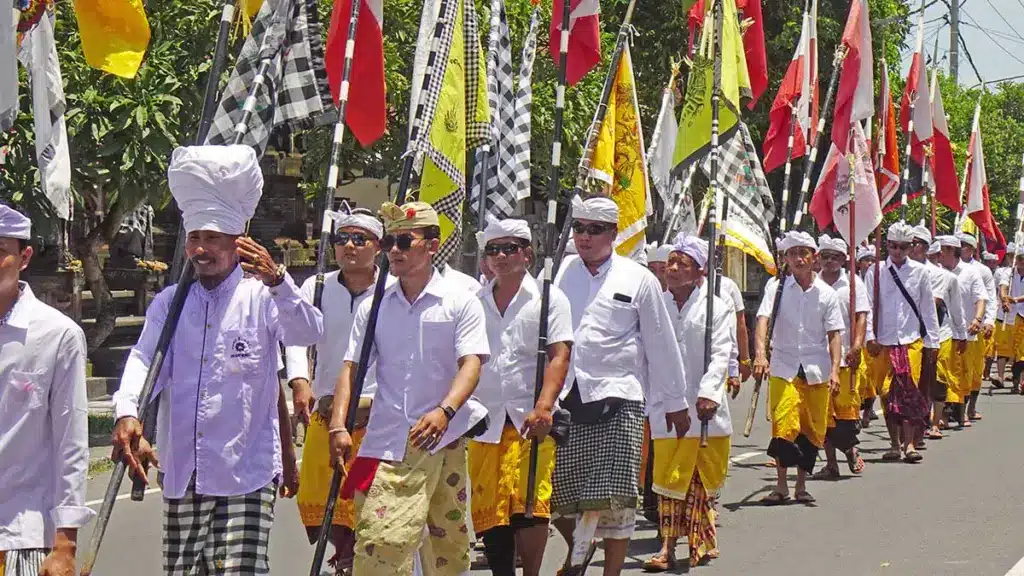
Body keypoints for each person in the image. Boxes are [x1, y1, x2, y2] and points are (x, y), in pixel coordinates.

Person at [111, 145, 323, 574]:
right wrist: (127, 410)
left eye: (212, 239)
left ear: (236, 243)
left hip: (246, 474)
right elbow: (144, 358)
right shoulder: (170, 303)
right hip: (182, 473)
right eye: (195, 239)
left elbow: (307, 332)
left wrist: (279, 280)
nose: (201, 249)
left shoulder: (262, 298)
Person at [329, 201, 490, 576]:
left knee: (447, 547)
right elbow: (351, 367)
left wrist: (444, 411)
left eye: (404, 241)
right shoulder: (374, 306)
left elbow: (472, 363)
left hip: (442, 438)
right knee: (381, 541)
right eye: (389, 243)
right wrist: (339, 425)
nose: (394, 251)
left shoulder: (460, 301)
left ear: (432, 246)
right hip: (387, 442)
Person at [551, 196, 689, 576]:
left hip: (620, 397)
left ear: (613, 234)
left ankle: (609, 571)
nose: (584, 237)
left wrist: (675, 401)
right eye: (579, 228)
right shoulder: (559, 273)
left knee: (616, 498)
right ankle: (581, 544)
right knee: (555, 495)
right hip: (566, 396)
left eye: (594, 230)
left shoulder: (638, 278)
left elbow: (661, 344)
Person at [284, 208, 391, 573]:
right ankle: (346, 552)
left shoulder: (393, 290)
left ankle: (352, 557)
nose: (349, 246)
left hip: (377, 411)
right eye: (342, 238)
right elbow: (296, 337)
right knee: (316, 493)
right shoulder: (316, 286)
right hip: (327, 408)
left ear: (378, 247)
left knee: (362, 491)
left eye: (359, 239)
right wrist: (299, 381)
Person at [468, 218, 573, 576]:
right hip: (485, 419)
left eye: (509, 248)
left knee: (529, 503)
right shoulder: (475, 301)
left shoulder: (549, 298)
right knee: (489, 506)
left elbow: (559, 355)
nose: (500, 256)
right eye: (493, 250)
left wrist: (544, 406)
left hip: (530, 420)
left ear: (526, 254)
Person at [0, 206, 95, 576]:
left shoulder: (57, 336)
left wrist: (65, 545)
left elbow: (71, 442)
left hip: (22, 536)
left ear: (24, 258)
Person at [642, 234, 733, 571]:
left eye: (683, 263)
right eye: (671, 262)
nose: (674, 268)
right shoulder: (653, 307)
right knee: (668, 482)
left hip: (704, 410)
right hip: (665, 410)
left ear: (699, 273)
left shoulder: (716, 307)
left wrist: (710, 391)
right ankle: (668, 548)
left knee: (698, 482)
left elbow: (721, 353)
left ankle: (700, 540)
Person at [754, 231, 842, 505]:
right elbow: (762, 321)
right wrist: (760, 355)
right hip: (784, 365)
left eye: (803, 253)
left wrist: (836, 370)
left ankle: (800, 485)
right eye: (792, 254)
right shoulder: (776, 288)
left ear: (813, 258)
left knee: (811, 429)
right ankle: (781, 485)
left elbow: (834, 334)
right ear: (786, 259)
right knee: (783, 424)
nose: (798, 259)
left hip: (816, 368)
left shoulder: (827, 294)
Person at [863, 223, 939, 463]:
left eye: (903, 247)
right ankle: (894, 444)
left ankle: (909, 445)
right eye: (893, 246)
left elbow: (928, 308)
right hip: (882, 342)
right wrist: (869, 337)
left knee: (908, 392)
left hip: (910, 341)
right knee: (886, 394)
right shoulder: (875, 271)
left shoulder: (920, 272)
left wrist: (932, 342)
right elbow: (867, 307)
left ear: (911, 247)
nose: (897, 251)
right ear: (886, 245)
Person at [811, 235, 869, 480]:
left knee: (846, 413)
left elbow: (861, 317)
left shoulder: (854, 284)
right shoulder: (812, 285)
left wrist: (856, 346)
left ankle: (850, 448)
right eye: (825, 256)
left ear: (844, 259)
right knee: (823, 414)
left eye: (835, 257)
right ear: (818, 259)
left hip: (846, 359)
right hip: (817, 359)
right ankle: (831, 463)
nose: (830, 261)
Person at [940, 235, 988, 425]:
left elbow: (981, 298)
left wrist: (978, 319)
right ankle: (940, 416)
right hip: (941, 333)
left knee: (962, 373)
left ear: (953, 251)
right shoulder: (934, 271)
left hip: (965, 333)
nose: (940, 254)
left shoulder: (971, 272)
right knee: (942, 374)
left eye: (944, 250)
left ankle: (960, 412)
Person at [921, 236, 966, 439]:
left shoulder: (948, 278)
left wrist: (962, 334)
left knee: (939, 377)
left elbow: (956, 309)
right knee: (919, 379)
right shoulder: (910, 274)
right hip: (915, 336)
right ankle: (919, 421)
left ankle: (936, 421)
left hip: (942, 334)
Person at [958, 232, 995, 421]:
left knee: (974, 371)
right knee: (956, 369)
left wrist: (988, 321)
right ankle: (954, 410)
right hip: (954, 329)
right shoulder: (946, 267)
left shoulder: (982, 271)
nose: (960, 247)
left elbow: (990, 298)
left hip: (975, 328)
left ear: (972, 249)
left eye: (964, 244)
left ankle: (970, 407)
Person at [989, 248, 1013, 388]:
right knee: (1002, 348)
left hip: (1020, 315)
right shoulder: (1001, 272)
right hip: (1003, 315)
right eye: (1009, 255)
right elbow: (998, 289)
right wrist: (1003, 300)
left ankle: (1018, 379)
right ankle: (1000, 376)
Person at [1002, 247, 1024, 393]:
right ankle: (1016, 382)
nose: (1021, 262)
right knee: (1014, 352)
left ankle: (1022, 381)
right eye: (1019, 258)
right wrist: (1004, 299)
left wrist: (1015, 299)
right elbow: (1003, 287)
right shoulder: (1009, 273)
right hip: (1013, 318)